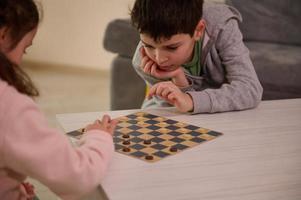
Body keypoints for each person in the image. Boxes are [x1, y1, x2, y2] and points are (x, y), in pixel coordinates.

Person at [0, 0, 118, 199]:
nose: (21, 60)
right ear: (4, 34)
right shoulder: (8, 107)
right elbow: (77, 177)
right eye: (25, 48)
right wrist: (99, 137)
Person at [130, 0, 263, 114]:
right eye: (148, 45)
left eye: (172, 47)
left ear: (198, 30)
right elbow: (174, 110)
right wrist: (180, 81)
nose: (159, 59)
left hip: (222, 118)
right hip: (163, 112)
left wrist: (190, 100)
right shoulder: (143, 59)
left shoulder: (221, 26)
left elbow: (250, 89)